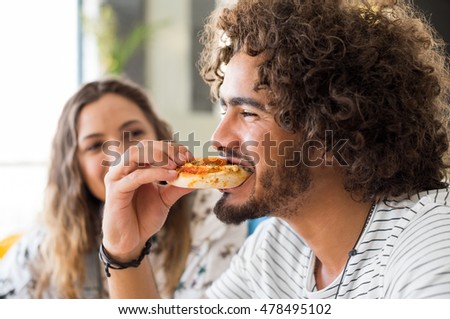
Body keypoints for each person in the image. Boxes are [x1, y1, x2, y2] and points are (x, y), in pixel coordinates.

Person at [100, 0, 450, 299]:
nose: (218, 139)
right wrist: (125, 251)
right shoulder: (277, 247)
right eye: (225, 110)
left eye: (249, 113)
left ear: (333, 131)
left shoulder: (431, 244)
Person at [0, 77, 246, 298]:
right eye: (96, 145)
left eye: (135, 133)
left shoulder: (215, 216)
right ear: (75, 167)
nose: (120, 155)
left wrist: (126, 255)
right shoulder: (42, 250)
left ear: (160, 136)